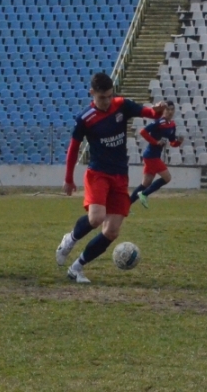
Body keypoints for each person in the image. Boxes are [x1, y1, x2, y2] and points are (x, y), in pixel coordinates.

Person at [54, 72, 167, 284]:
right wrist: (68, 178)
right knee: (96, 218)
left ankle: (76, 268)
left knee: (112, 231)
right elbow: (73, 149)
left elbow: (149, 112)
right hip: (98, 174)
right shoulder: (85, 118)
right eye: (101, 97)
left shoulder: (122, 105)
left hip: (119, 176)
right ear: (92, 94)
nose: (106, 101)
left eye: (108, 96)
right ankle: (70, 239)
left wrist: (157, 111)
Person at [129, 100, 183, 208]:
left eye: (172, 110)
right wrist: (155, 142)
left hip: (153, 156)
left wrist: (178, 142)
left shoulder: (172, 125)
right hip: (151, 156)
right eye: (168, 109)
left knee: (145, 184)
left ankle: (124, 206)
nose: (170, 112)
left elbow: (172, 142)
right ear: (164, 110)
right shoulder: (159, 122)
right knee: (167, 178)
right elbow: (143, 132)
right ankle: (144, 194)